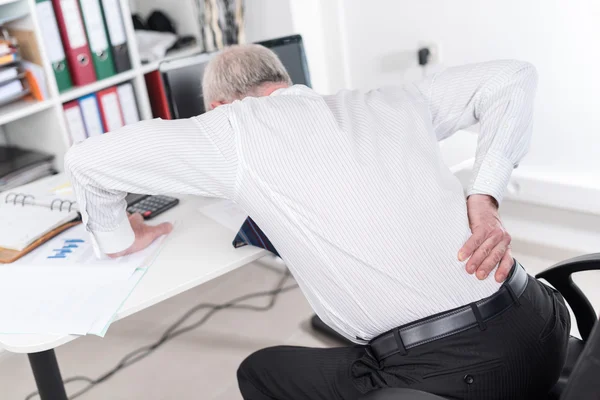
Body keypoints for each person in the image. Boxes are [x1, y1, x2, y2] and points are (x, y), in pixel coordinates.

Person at [65, 44, 570, 399]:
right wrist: (484, 196)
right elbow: (513, 75)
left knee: (260, 372)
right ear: (283, 83)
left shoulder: (233, 130)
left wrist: (117, 239)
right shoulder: (388, 100)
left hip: (457, 375)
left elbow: (85, 160)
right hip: (544, 322)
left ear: (219, 108)